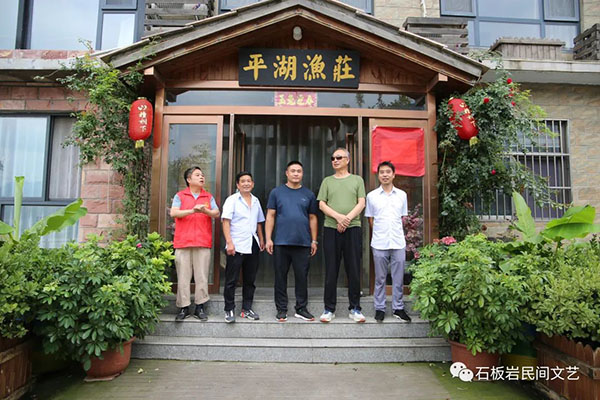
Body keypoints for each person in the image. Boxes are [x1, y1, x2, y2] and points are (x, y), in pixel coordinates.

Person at [317, 148, 366, 323]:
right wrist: (339, 218)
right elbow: (322, 204)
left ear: (348, 160)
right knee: (331, 270)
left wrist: (347, 220)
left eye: (339, 157)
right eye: (333, 158)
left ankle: (355, 308)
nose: (335, 160)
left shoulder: (357, 180)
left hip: (353, 229)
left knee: (353, 269)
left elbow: (361, 203)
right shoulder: (327, 181)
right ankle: (329, 309)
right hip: (331, 228)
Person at [265, 161, 319, 322]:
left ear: (302, 174)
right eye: (293, 171)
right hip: (281, 242)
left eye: (299, 171)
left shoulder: (309, 194)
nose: (296, 174)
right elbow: (270, 216)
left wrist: (314, 240)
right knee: (280, 277)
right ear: (286, 173)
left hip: (303, 242)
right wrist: (268, 239)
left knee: (302, 277)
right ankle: (281, 309)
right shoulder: (276, 192)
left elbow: (313, 218)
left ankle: (301, 309)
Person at [170, 166, 220, 322]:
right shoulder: (180, 195)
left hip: (202, 241)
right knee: (183, 277)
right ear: (189, 179)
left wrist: (205, 211)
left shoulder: (208, 196)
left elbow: (216, 213)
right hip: (183, 242)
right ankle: (183, 307)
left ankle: (200, 307)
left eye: (202, 175)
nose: (201, 177)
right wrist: (193, 210)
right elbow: (174, 212)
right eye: (197, 175)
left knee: (202, 276)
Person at [365, 161, 412, 323]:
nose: (385, 175)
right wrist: (380, 232)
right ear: (378, 175)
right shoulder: (371, 196)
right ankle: (380, 308)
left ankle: (398, 308)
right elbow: (371, 219)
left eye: (388, 172)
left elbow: (402, 217)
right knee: (380, 278)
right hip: (379, 242)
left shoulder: (402, 195)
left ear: (393, 174)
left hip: (398, 242)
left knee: (398, 278)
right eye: (382, 172)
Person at [221, 171, 265, 323]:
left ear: (252, 184)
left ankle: (246, 309)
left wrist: (261, 239)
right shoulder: (232, 200)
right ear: (238, 185)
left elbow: (259, 222)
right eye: (243, 181)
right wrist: (229, 242)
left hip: (252, 243)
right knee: (231, 279)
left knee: (250, 279)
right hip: (236, 244)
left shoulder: (256, 201)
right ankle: (229, 309)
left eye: (249, 181)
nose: (246, 183)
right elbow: (226, 222)